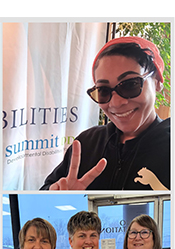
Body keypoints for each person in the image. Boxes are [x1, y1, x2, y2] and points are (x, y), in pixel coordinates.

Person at [40, 36, 169, 191]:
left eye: (130, 85)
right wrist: (59, 194)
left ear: (157, 82)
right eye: (103, 90)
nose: (116, 103)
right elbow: (49, 187)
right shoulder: (87, 143)